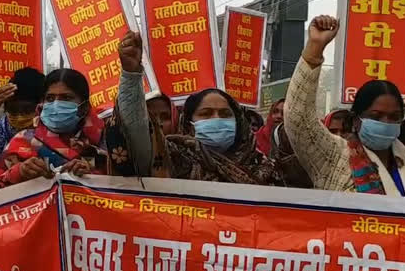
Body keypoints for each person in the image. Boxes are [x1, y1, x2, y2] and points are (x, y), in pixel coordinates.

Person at [284, 15, 405, 197]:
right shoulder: (335, 155)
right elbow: (298, 119)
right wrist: (315, 48)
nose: (385, 123)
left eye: (394, 117)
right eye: (376, 116)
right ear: (356, 120)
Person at [107, 31, 299, 186]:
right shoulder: (169, 159)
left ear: (239, 122)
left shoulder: (264, 169)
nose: (216, 119)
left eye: (225, 114)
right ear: (189, 123)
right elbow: (136, 131)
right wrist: (131, 76)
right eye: (205, 114)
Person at [0, 68, 106, 184]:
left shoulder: (105, 140)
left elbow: (120, 184)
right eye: (50, 98)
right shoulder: (25, 141)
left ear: (84, 107)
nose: (56, 104)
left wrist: (91, 175)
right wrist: (19, 172)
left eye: (66, 98)